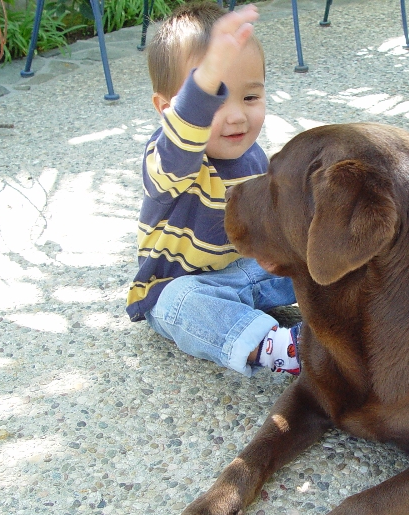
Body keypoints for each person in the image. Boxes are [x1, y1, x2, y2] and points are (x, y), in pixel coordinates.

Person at [126, 1, 301, 376]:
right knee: (178, 303)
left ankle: (365, 305)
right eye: (213, 102)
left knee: (312, 257)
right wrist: (203, 84)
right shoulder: (168, 157)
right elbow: (183, 135)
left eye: (250, 97)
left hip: (250, 272)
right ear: (168, 109)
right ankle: (282, 348)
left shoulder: (254, 157)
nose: (237, 116)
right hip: (185, 284)